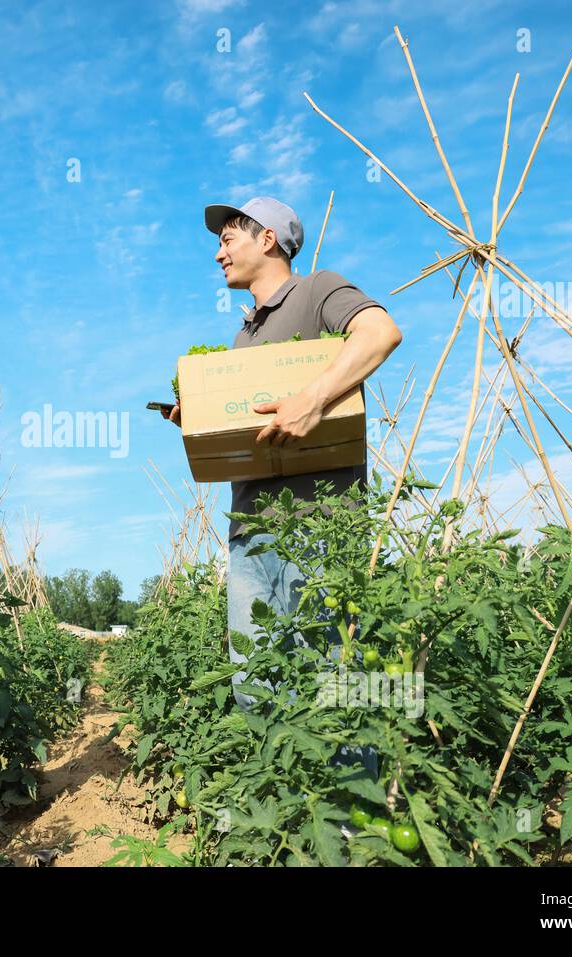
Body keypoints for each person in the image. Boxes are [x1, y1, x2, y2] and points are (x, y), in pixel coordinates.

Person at [164, 196, 402, 713]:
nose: (218, 255)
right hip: (251, 530)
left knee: (331, 686)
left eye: (227, 240)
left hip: (318, 525)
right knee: (255, 688)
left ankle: (349, 793)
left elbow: (381, 332)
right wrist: (201, 415)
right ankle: (283, 796)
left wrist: (312, 400)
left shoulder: (316, 291)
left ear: (267, 239)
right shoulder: (242, 336)